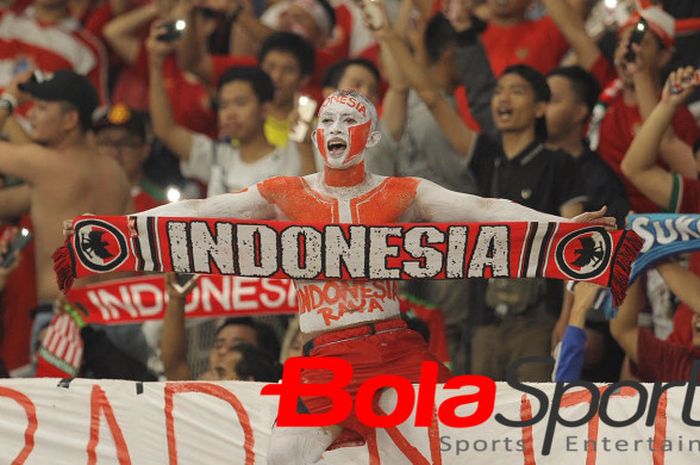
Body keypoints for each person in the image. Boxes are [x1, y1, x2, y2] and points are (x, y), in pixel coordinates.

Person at [102, 88, 611, 463]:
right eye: (328, 121)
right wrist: (123, 229)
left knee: (447, 449)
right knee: (282, 456)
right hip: (326, 356)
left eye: (349, 120)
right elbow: (201, 208)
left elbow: (481, 208)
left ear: (369, 134)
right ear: (318, 133)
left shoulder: (399, 191)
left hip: (394, 347)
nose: (337, 130)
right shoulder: (286, 191)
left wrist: (561, 227)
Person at [0, 70, 130, 345]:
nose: (32, 115)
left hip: (66, 319)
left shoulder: (45, 165)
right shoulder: (114, 171)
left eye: (42, 108)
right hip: (121, 316)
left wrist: (9, 99)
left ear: (71, 120)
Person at [147, 24, 315, 197]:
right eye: (224, 105)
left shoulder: (292, 157)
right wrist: (155, 63)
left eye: (240, 103)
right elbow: (165, 129)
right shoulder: (216, 157)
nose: (230, 113)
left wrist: (305, 149)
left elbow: (313, 205)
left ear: (265, 109)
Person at [160, 272, 280, 380]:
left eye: (237, 346)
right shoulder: (195, 397)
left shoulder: (276, 400)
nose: (222, 351)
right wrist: (176, 298)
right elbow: (174, 364)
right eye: (218, 345)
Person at [93, 103, 167, 213]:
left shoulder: (160, 203)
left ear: (144, 150)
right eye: (106, 142)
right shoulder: (84, 196)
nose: (115, 152)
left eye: (125, 143)